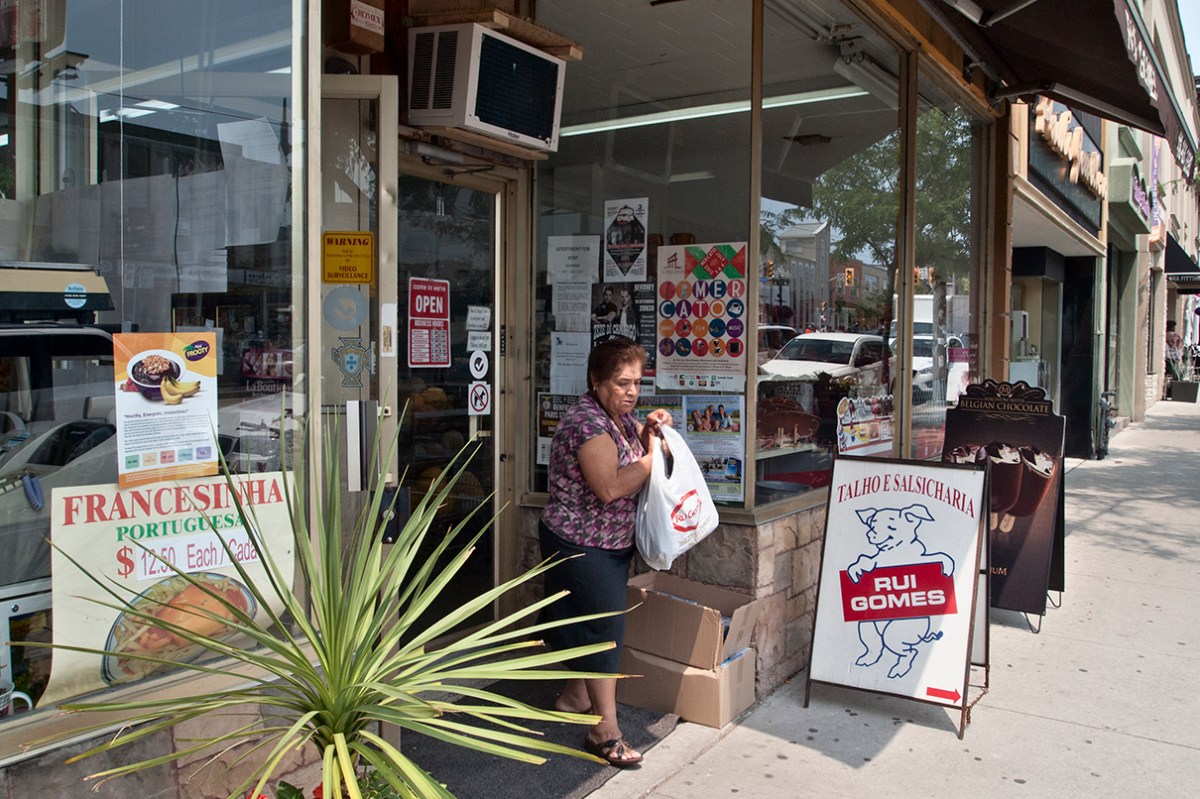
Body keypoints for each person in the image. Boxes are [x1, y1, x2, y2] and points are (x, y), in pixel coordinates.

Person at [539, 337, 671, 767]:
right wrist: (649, 462)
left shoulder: (619, 417)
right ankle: (603, 731)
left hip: (607, 544)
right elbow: (610, 487)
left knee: (585, 623)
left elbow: (642, 449)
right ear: (596, 381)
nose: (631, 391)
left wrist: (653, 427)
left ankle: (576, 695)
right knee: (604, 633)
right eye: (621, 382)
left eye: (636, 382)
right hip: (582, 543)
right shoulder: (587, 424)